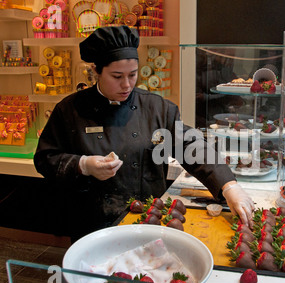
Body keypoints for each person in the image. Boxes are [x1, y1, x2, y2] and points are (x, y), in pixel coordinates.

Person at [33, 26, 254, 241]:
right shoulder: (69, 110)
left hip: (148, 222)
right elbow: (45, 159)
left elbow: (191, 146)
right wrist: (83, 165)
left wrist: (228, 186)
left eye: (133, 75)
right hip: (93, 226)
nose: (127, 84)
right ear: (96, 71)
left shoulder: (157, 109)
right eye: (117, 76)